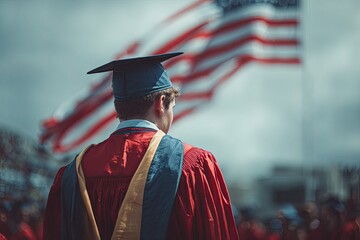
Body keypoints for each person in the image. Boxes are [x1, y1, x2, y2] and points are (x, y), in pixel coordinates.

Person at [43, 52, 239, 240]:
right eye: (172, 107)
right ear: (161, 103)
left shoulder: (73, 173)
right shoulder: (191, 164)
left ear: (118, 107)